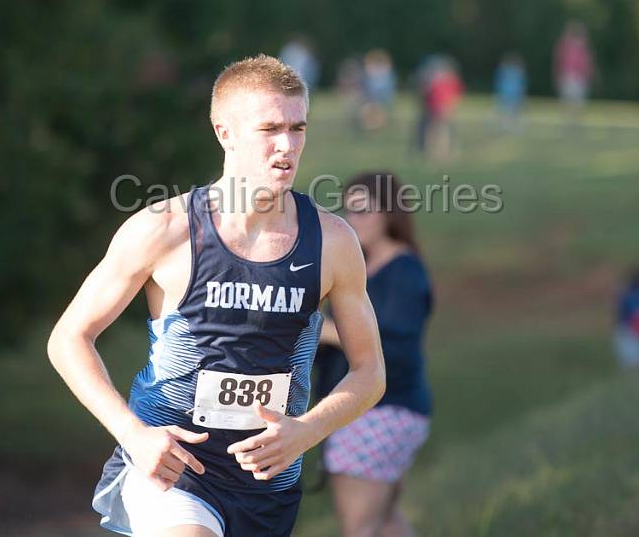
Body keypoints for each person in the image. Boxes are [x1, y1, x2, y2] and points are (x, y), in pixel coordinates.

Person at [47, 55, 385, 537]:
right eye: (269, 128)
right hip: (173, 472)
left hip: (267, 486)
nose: (286, 146)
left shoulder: (332, 242)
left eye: (297, 127)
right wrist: (132, 434)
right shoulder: (163, 231)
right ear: (224, 133)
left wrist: (306, 431)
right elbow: (69, 338)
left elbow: (371, 372)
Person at [316, 173, 433, 537]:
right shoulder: (362, 269)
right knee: (385, 523)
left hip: (382, 410)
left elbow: (394, 348)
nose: (354, 221)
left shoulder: (405, 271)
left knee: (359, 529)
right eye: (350, 211)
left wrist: (323, 329)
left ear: (389, 214)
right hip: (379, 410)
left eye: (364, 210)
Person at [553, 20, 594, 125]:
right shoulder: (566, 45)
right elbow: (559, 58)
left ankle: (574, 121)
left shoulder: (583, 46)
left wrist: (588, 74)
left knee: (577, 101)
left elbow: (586, 63)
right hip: (568, 76)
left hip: (579, 77)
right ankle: (567, 121)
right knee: (567, 100)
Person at [613, 269, 639, 369]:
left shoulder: (625, 293)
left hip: (624, 330)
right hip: (632, 331)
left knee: (628, 363)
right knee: (637, 362)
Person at [425, 59, 464, 161]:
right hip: (435, 109)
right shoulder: (435, 81)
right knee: (436, 131)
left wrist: (451, 107)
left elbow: (456, 96)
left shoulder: (451, 81)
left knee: (442, 131)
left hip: (445, 109)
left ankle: (442, 152)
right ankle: (434, 152)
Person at [494, 52, 527, 133]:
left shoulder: (518, 71)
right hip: (507, 93)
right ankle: (506, 125)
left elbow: (522, 83)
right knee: (508, 110)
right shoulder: (504, 71)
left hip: (514, 94)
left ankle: (511, 125)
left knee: (514, 110)